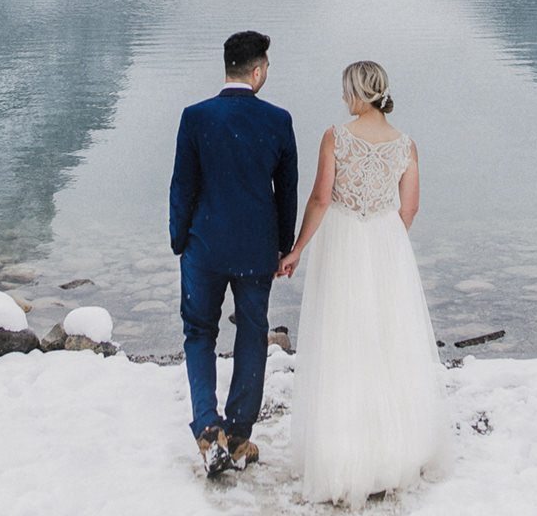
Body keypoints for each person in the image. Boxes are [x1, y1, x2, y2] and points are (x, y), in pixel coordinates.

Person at [278, 60, 450, 506]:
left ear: (355, 93)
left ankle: (343, 456)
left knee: (342, 342)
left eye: (344, 91)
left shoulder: (336, 137)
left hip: (343, 244)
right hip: (386, 244)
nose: (342, 99)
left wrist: (297, 249)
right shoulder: (407, 144)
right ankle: (395, 454)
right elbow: (409, 208)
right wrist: (386, 242)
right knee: (389, 344)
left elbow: (320, 198)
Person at [169, 29, 299, 476]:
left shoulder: (195, 117)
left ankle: (208, 429)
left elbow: (183, 185)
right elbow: (286, 193)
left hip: (203, 246)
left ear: (227, 68)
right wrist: (285, 246)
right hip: (256, 250)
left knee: (199, 334)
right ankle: (240, 434)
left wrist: (178, 240)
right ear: (258, 71)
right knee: (251, 334)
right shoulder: (278, 120)